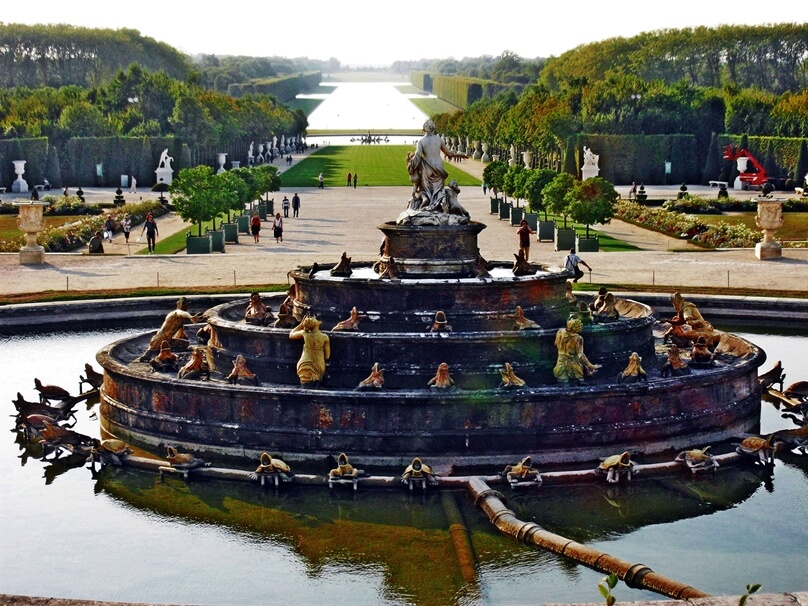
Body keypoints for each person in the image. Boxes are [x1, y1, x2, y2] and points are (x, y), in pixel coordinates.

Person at [407, 119, 462, 210]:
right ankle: (441, 204)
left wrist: (411, 164)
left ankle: (427, 202)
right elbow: (449, 154)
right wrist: (460, 155)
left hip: (427, 168)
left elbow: (418, 155)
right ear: (433, 128)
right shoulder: (439, 139)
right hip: (439, 167)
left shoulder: (421, 141)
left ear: (424, 128)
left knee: (425, 190)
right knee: (439, 189)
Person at [289, 316, 330, 386]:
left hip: (305, 363)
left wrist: (301, 325)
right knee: (316, 388)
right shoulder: (324, 337)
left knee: (305, 385)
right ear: (316, 324)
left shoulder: (305, 334)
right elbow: (327, 356)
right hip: (318, 363)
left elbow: (291, 335)